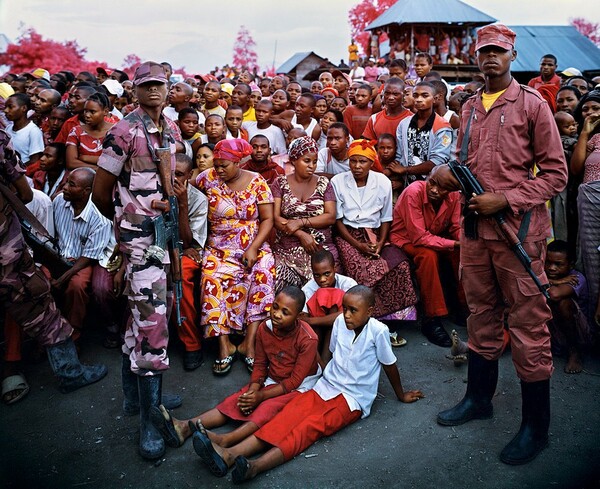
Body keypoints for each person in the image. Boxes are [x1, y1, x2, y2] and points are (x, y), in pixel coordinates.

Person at [434, 24, 568, 466]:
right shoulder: (470, 107)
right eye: (484, 51)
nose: (491, 57)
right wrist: (448, 178)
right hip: (474, 232)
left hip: (518, 234)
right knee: (480, 315)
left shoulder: (532, 105)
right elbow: (464, 161)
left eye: (499, 51)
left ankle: (536, 427)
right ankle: (479, 399)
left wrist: (506, 198)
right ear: (476, 56)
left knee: (529, 326)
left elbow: (555, 175)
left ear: (512, 55)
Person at [192, 285, 424, 483]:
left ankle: (255, 466)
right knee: (287, 416)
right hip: (326, 385)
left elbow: (389, 365)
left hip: (352, 398)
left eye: (354, 310)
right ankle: (229, 452)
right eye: (345, 308)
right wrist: (321, 372)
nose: (347, 315)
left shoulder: (379, 331)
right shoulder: (340, 323)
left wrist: (401, 394)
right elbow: (331, 354)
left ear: (370, 312)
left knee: (308, 428)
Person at [92, 61, 185, 460]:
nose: (153, 92)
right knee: (152, 319)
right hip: (139, 238)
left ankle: (136, 398)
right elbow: (100, 190)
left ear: (167, 90)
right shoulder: (122, 130)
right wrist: (129, 217)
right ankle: (150, 421)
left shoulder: (172, 127)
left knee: (142, 313)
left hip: (163, 234)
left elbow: (174, 176)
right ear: (134, 91)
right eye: (145, 86)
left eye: (159, 86)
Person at [0, 129, 107, 402]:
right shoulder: (58, 201)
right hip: (9, 254)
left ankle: (61, 357)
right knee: (32, 301)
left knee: (40, 294)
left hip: (25, 257)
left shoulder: (93, 210)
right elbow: (23, 193)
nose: (64, 189)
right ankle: (69, 372)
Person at [150, 286, 320, 449]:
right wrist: (253, 391)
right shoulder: (264, 328)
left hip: (300, 387)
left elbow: (294, 381)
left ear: (298, 316)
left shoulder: (308, 339)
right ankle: (186, 427)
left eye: (285, 312)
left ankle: (226, 440)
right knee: (238, 399)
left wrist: (261, 396)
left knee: (267, 409)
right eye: (275, 307)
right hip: (274, 378)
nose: (276, 314)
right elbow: (260, 365)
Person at [195, 138, 275, 377]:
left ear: (238, 162)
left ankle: (250, 343)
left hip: (253, 244)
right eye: (216, 164)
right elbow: (187, 194)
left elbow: (268, 219)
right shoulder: (206, 178)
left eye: (224, 165)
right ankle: (224, 345)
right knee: (211, 277)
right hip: (218, 247)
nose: (218, 169)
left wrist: (253, 248)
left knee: (262, 272)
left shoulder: (257, 182)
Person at [331, 139, 417, 319]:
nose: (357, 166)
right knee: (364, 269)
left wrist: (380, 243)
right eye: (353, 161)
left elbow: (386, 217)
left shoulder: (382, 181)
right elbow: (338, 221)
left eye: (362, 161)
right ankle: (365, 317)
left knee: (400, 264)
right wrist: (358, 245)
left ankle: (392, 318)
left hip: (376, 234)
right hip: (348, 234)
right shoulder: (338, 181)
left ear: (371, 163)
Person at [390, 167, 462, 347]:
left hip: (433, 237)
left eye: (442, 188)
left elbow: (455, 227)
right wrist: (453, 244)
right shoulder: (413, 192)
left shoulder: (454, 196)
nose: (435, 189)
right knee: (428, 256)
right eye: (432, 182)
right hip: (406, 239)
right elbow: (419, 237)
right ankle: (432, 318)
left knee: (462, 253)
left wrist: (464, 242)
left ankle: (462, 306)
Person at [272, 136, 338, 291]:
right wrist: (301, 234)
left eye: (314, 162)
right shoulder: (280, 183)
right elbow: (275, 218)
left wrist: (300, 222)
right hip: (288, 248)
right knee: (278, 282)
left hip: (319, 248)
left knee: (325, 284)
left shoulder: (323, 184)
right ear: (294, 160)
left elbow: (330, 216)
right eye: (306, 161)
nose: (312, 166)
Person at [171, 153, 208, 370]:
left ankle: (192, 344)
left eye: (179, 175)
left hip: (187, 249)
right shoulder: (154, 190)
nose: (173, 179)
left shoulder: (197, 199)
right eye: (170, 174)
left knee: (181, 278)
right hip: (157, 246)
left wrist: (182, 204)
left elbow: (188, 242)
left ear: (189, 175)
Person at [571, 90, 600, 325]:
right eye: (585, 109)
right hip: (590, 200)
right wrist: (584, 133)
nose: (590, 113)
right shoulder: (590, 139)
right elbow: (576, 169)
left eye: (596, 109)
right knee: (591, 260)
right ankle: (590, 325)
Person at [391, 82, 452, 189]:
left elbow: (437, 161)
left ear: (435, 98)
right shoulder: (404, 124)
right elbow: (400, 154)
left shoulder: (442, 126)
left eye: (425, 95)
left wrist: (405, 169)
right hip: (408, 185)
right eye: (415, 95)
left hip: (433, 186)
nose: (419, 99)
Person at [544, 240, 592, 374]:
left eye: (558, 264)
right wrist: (555, 281)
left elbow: (554, 294)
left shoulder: (576, 278)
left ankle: (574, 351)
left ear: (570, 264)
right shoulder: (546, 276)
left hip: (580, 335)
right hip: (555, 333)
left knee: (563, 303)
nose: (552, 268)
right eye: (548, 262)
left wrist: (552, 282)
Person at [300, 249, 357, 361]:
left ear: (334, 269)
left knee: (332, 295)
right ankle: (318, 363)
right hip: (318, 331)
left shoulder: (348, 284)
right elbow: (304, 320)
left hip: (345, 327)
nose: (322, 279)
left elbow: (352, 313)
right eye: (317, 275)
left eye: (327, 274)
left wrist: (313, 320)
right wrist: (315, 322)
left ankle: (324, 363)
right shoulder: (308, 289)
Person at [65, 92, 114, 170]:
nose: (87, 115)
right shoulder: (76, 132)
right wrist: (99, 169)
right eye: (85, 111)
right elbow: (71, 163)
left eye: (92, 112)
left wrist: (85, 158)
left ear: (105, 111)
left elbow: (114, 162)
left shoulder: (115, 131)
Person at [4, 93, 44, 168]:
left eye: (10, 107)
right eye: (5, 107)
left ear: (24, 108)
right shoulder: (8, 128)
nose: (6, 110)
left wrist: (17, 171)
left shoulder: (33, 131)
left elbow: (34, 160)